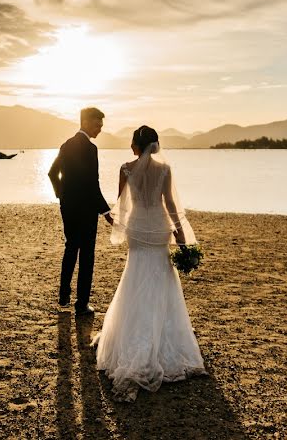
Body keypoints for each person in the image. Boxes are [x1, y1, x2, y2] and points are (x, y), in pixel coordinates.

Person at [94, 125, 206, 401]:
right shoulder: (164, 170)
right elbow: (169, 204)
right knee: (162, 278)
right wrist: (180, 236)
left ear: (135, 144)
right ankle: (163, 344)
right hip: (158, 228)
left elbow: (122, 205)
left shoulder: (125, 168)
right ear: (155, 146)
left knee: (135, 276)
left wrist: (116, 225)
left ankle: (132, 342)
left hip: (137, 228)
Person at [48, 107, 113, 316]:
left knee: (70, 249)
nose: (100, 129)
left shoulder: (66, 145)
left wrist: (62, 196)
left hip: (68, 208)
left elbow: (52, 173)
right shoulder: (90, 149)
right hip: (86, 211)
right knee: (86, 256)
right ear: (85, 122)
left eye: (101, 126)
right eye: (97, 124)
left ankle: (63, 296)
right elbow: (92, 184)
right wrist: (106, 212)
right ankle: (82, 303)